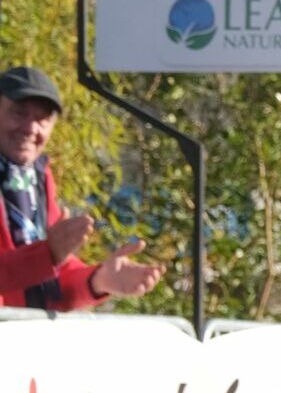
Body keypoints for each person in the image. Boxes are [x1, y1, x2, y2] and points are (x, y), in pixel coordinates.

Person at [0, 66, 164, 310]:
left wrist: (100, 280)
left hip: (26, 331)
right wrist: (47, 254)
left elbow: (53, 282)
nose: (31, 128)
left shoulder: (37, 178)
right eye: (19, 113)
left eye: (43, 119)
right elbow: (41, 261)